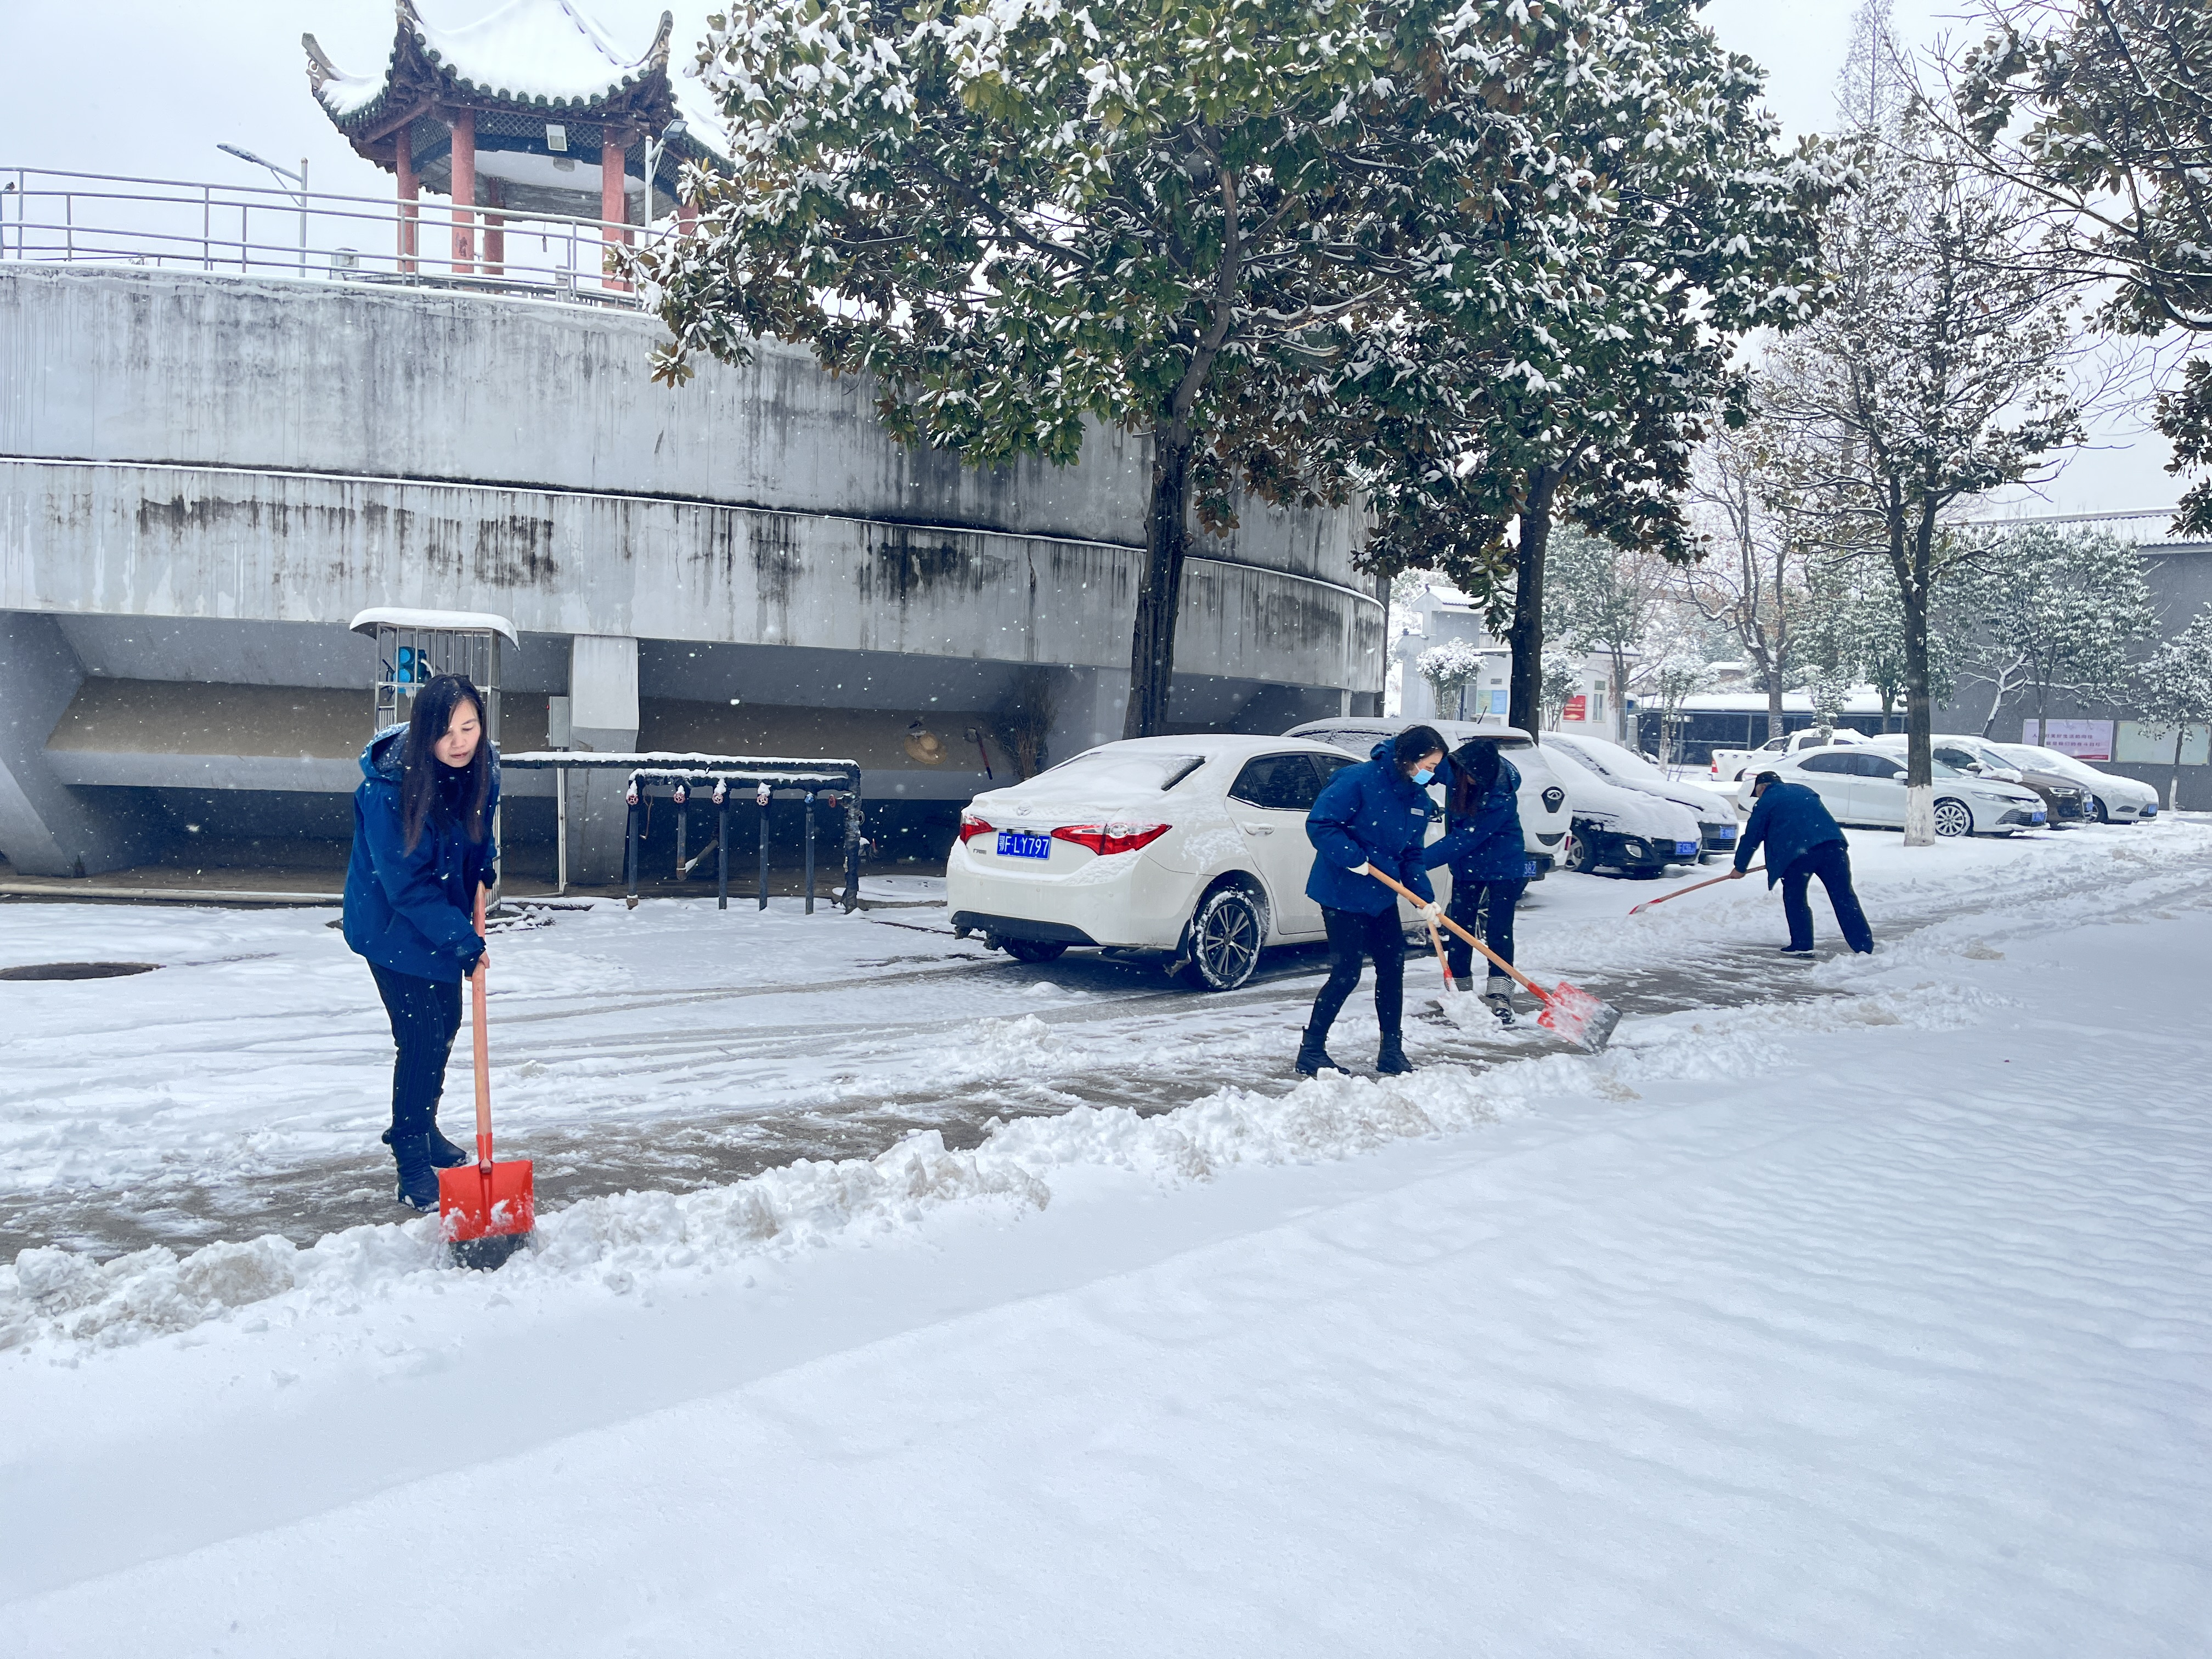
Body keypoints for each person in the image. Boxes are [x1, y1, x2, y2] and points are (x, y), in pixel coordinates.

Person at [341, 674, 501, 1210]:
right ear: (421, 733)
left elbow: (479, 829)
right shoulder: (386, 789)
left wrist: (484, 867)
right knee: (423, 1037)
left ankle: (425, 1126)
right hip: (391, 927)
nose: (460, 742)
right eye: (446, 731)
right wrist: (465, 944)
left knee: (448, 1024)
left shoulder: (485, 766)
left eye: (470, 727)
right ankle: (411, 1158)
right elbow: (405, 885)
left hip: (441, 917)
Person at [1298, 725, 1449, 1077]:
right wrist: (1352, 856)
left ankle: (1391, 1052)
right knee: (1347, 973)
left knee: (1393, 969)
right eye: (1428, 766)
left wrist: (1425, 900)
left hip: (1381, 896)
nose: (1431, 774)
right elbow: (1321, 824)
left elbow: (1412, 853)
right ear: (1408, 759)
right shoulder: (1358, 780)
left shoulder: (1418, 801)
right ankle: (1312, 1051)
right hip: (1341, 891)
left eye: (1435, 768)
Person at [1424, 737, 1527, 1024]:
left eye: (1472, 778)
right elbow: (1425, 765)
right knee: (1459, 927)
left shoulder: (1499, 796)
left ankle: (1500, 992)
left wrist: (1415, 864)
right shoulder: (1456, 767)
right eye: (1464, 775)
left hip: (1504, 865)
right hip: (1466, 866)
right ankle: (1461, 990)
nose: (1465, 780)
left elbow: (1463, 839)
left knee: (1498, 930)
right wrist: (1395, 760)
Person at [1729, 770, 1874, 956]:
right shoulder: (1804, 791)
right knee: (1844, 897)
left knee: (1795, 897)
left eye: (1757, 793)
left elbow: (1752, 838)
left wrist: (1740, 867)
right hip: (1833, 846)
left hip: (1797, 855)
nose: (1758, 797)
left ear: (1762, 788)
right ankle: (1864, 945)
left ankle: (1802, 945)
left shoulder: (1766, 802)